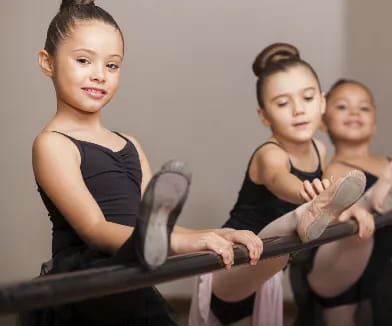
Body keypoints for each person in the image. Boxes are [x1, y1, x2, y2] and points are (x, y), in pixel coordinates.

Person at [24, 1, 263, 324]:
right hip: (89, 283)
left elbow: (151, 228)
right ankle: (145, 253)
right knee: (119, 263)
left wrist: (215, 234)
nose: (98, 75)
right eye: (83, 60)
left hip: (132, 277)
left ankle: (149, 252)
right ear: (47, 62)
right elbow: (95, 230)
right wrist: (180, 241)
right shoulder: (53, 144)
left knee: (151, 233)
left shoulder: (130, 144)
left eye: (112, 65)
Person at [190, 43, 372, 326]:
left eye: (308, 98)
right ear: (264, 115)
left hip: (268, 272)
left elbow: (330, 194)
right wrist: (305, 193)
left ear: (322, 102)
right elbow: (279, 179)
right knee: (298, 219)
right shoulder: (270, 154)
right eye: (283, 103)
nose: (299, 110)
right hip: (233, 264)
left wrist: (351, 208)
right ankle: (303, 216)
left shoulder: (320, 150)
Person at [296, 79, 392, 326]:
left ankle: (381, 197)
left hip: (380, 267)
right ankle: (374, 198)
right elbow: (332, 203)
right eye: (342, 107)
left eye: (364, 108)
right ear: (323, 122)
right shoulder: (332, 168)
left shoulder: (391, 164)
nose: (354, 112)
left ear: (375, 124)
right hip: (337, 264)